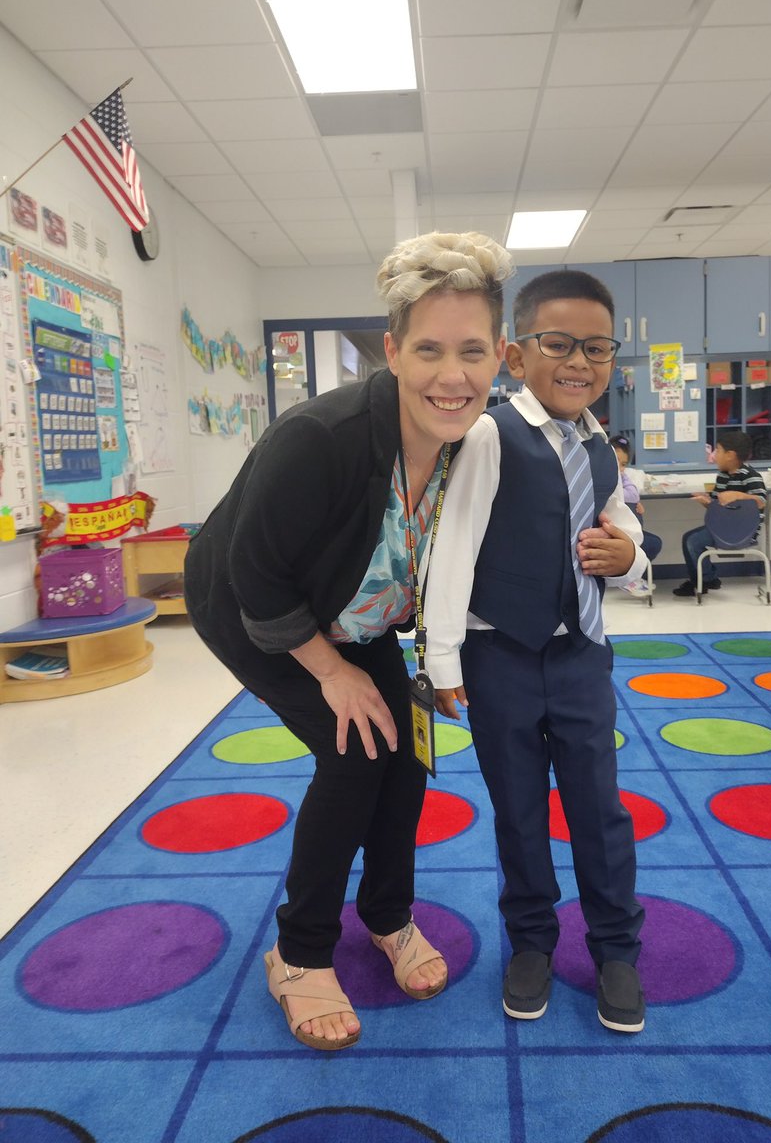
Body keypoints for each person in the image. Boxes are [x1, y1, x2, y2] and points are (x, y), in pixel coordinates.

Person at [184, 230, 513, 1051]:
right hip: (255, 610)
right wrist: (330, 673)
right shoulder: (319, 437)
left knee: (406, 753)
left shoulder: (471, 443)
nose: (452, 375)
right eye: (429, 349)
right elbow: (257, 579)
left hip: (356, 611)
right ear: (393, 352)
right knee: (356, 752)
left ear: (500, 356)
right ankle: (299, 953)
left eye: (472, 352)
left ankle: (387, 914)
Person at [424, 269, 648, 1032]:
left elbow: (619, 522)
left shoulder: (601, 444)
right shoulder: (491, 435)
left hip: (582, 654)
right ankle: (530, 942)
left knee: (599, 808)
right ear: (516, 356)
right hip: (501, 657)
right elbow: (453, 546)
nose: (579, 361)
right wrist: (443, 660)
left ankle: (616, 948)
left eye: (597, 348)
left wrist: (632, 557)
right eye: (559, 344)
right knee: (518, 810)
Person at [672, 429, 767, 597]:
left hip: (745, 532)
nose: (715, 455)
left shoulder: (751, 476)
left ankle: (703, 581)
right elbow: (718, 507)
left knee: (693, 541)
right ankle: (705, 579)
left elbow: (761, 502)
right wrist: (707, 502)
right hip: (722, 528)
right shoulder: (722, 477)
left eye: (718, 450)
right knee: (689, 538)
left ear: (730, 455)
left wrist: (738, 495)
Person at [611, 435, 662, 563]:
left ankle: (632, 572)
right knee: (653, 543)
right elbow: (631, 495)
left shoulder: (621, 476)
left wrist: (634, 503)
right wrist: (632, 501)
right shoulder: (603, 479)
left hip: (625, 531)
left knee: (653, 542)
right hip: (613, 533)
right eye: (615, 461)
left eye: (623, 464)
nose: (619, 468)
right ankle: (631, 572)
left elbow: (633, 496)